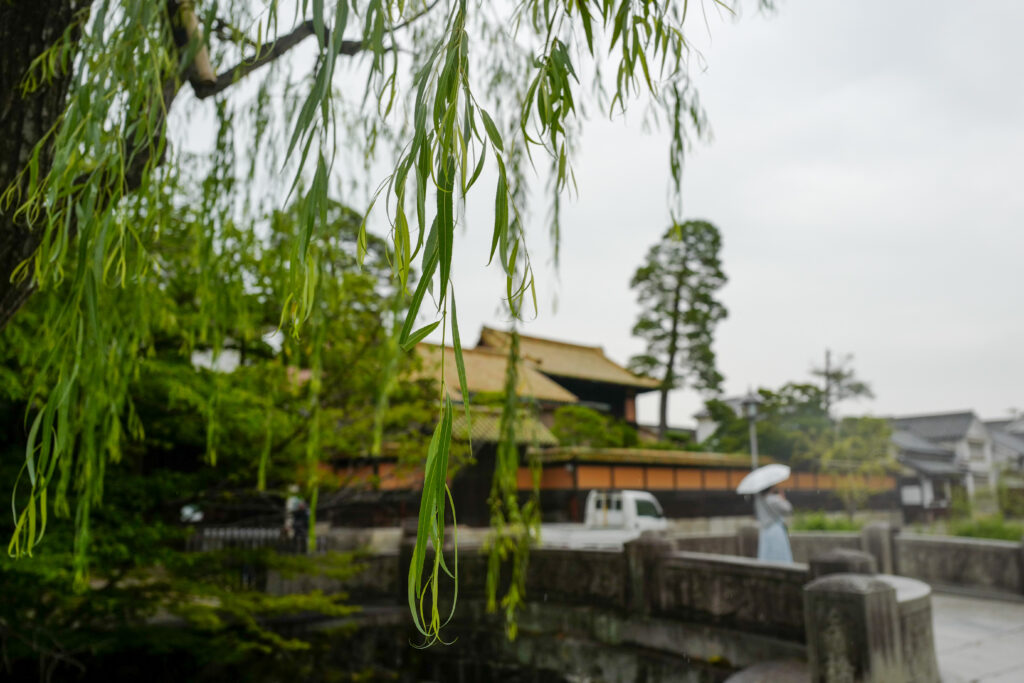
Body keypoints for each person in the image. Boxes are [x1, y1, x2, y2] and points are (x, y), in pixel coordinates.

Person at [754, 486, 793, 563]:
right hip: (775, 530)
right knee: (779, 554)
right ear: (770, 488)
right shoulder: (773, 499)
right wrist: (782, 498)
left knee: (766, 555)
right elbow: (788, 509)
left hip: (764, 531)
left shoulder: (758, 500)